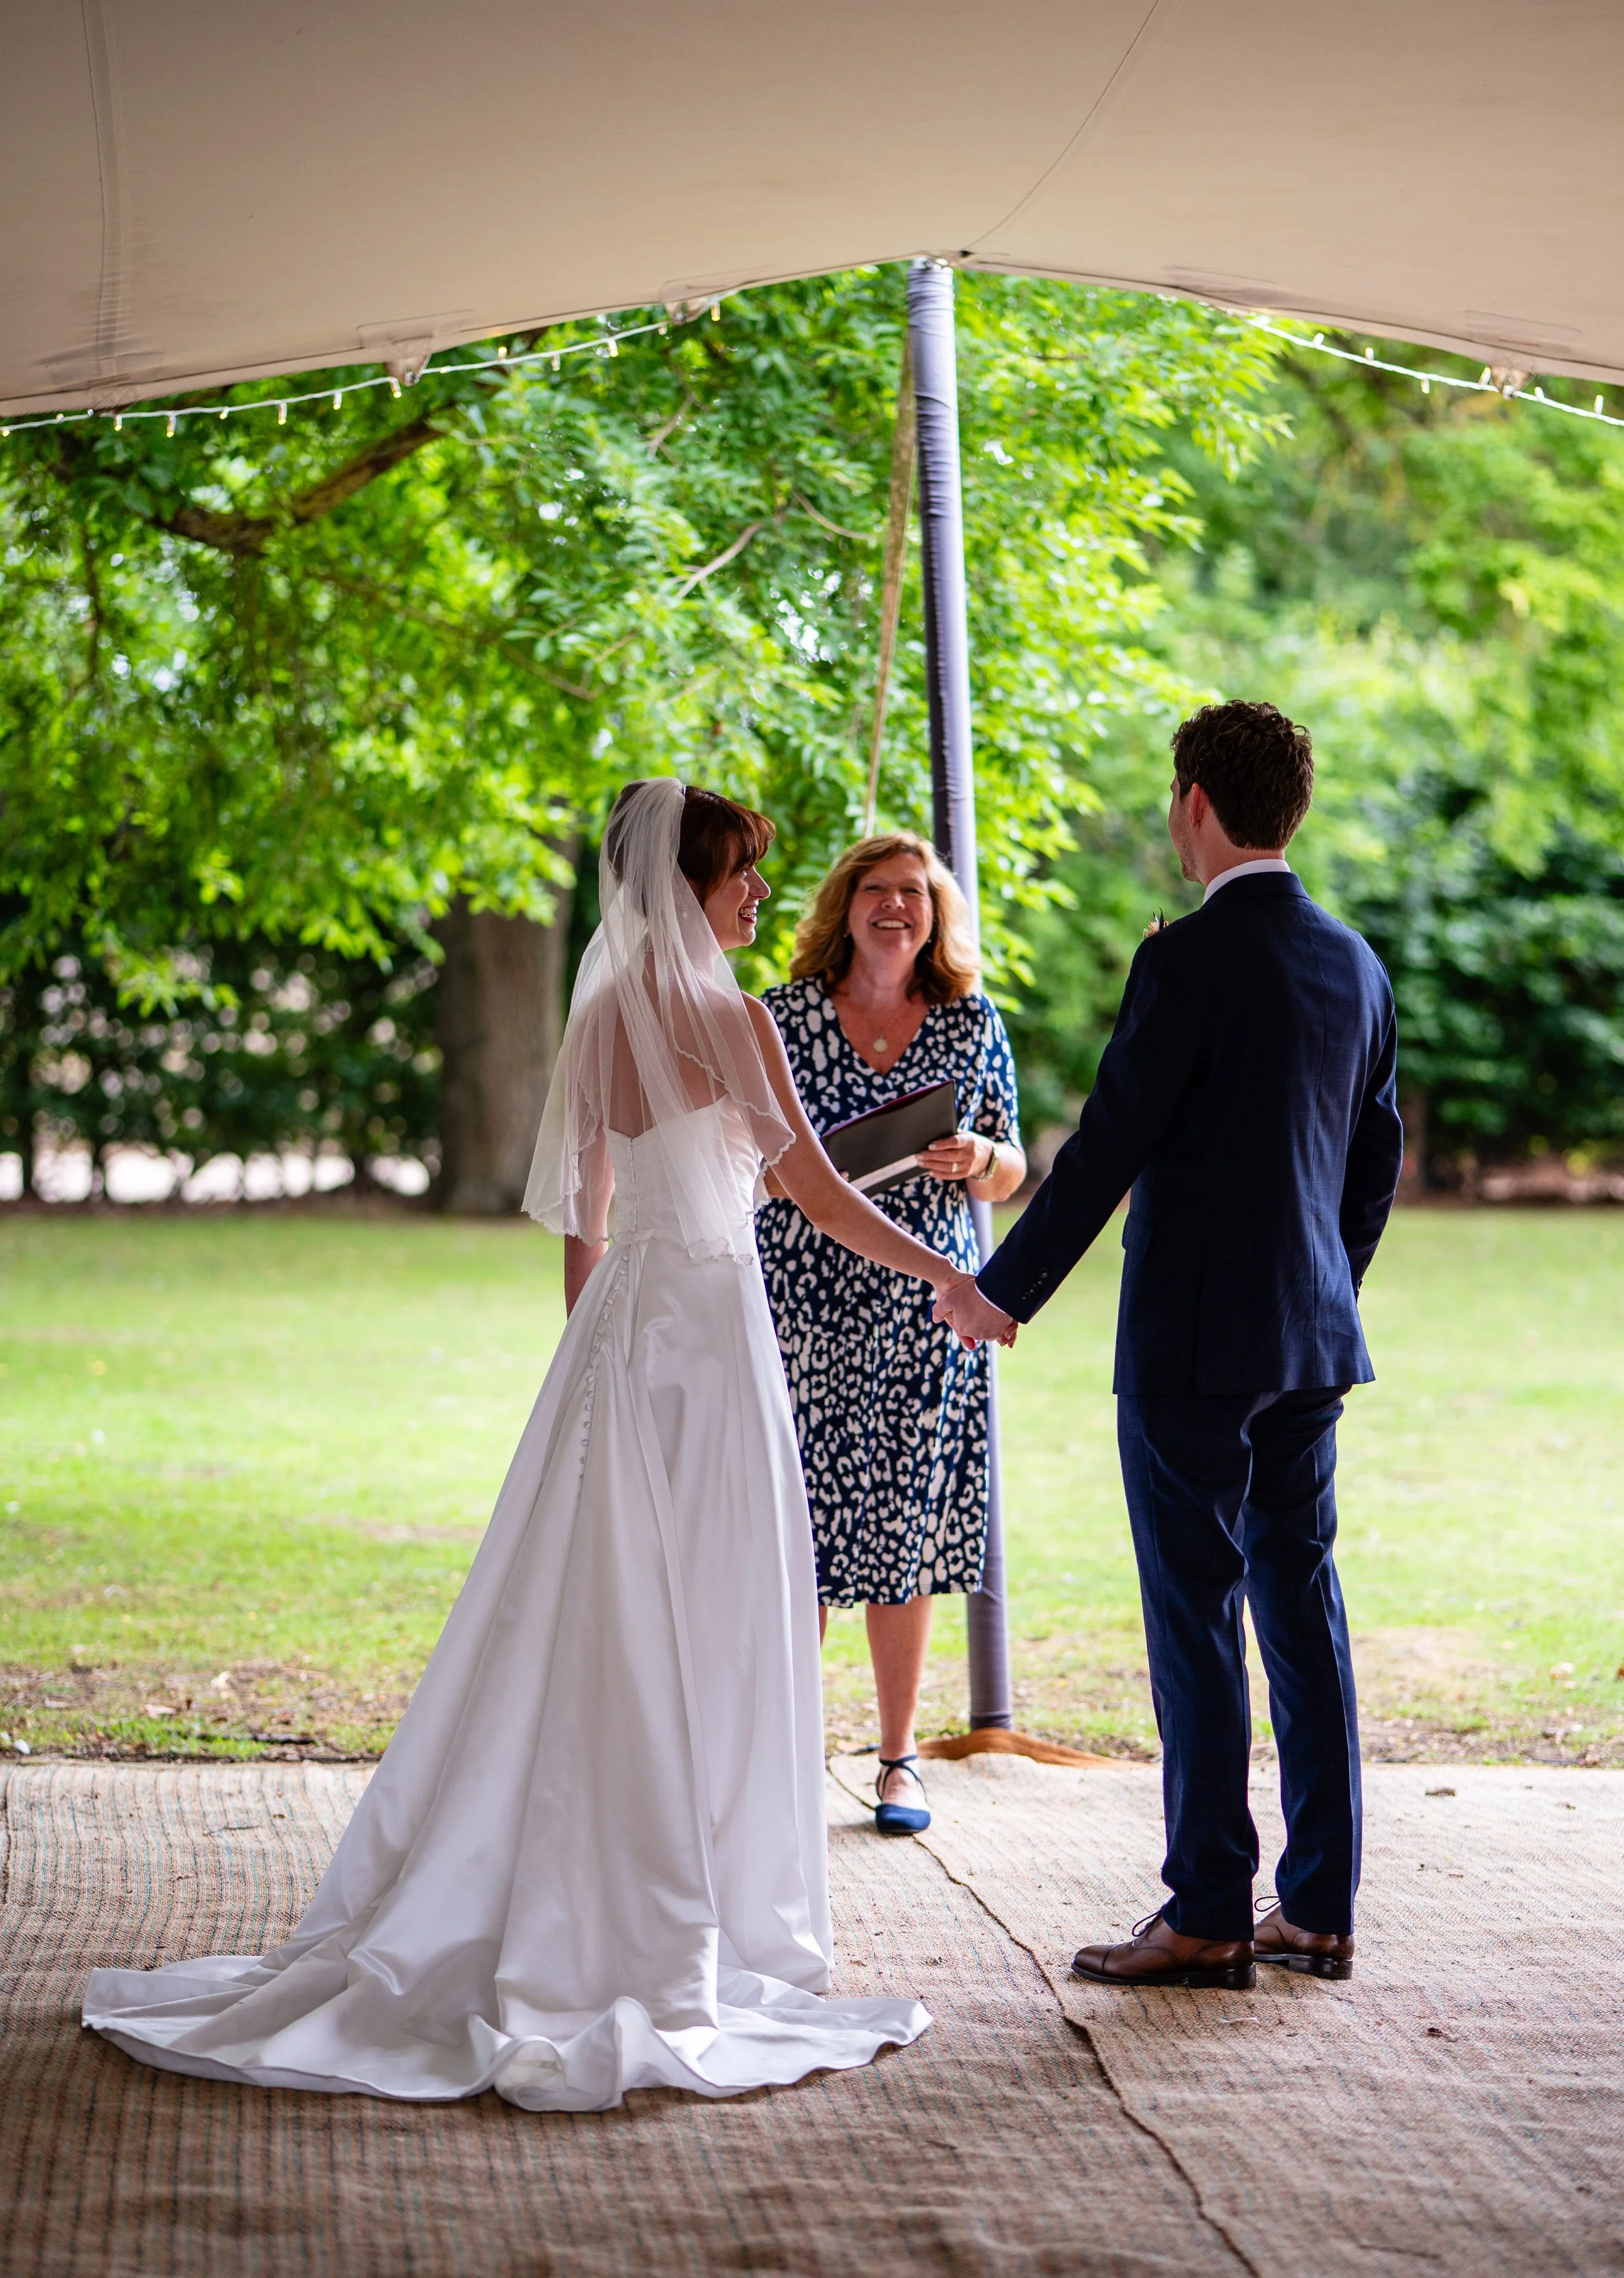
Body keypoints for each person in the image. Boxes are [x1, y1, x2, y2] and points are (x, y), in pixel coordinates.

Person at [85, 778, 964, 2109]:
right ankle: (691, 1903)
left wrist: (593, 1369)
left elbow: (586, 1223)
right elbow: (818, 1192)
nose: (754, 899)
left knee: (597, 1615)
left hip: (626, 1334)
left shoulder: (605, 1012)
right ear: (684, 887)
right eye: (738, 876)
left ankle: (612, 1874)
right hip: (713, 1341)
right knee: (714, 1610)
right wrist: (950, 1281)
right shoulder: (730, 1020)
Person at [938, 702, 1404, 1990]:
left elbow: (1108, 1146)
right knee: (1302, 1609)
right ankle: (1316, 1908)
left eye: (1170, 799)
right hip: (1311, 1340)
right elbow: (1375, 1164)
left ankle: (1206, 1910)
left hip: (1195, 1345)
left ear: (1198, 802)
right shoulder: (1356, 964)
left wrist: (1003, 1289)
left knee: (1196, 1616)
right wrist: (1324, 1291)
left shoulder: (1185, 962)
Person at [758, 835, 1024, 1834]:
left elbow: (1013, 1170)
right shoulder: (784, 1017)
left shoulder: (968, 1020)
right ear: (845, 906)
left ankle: (899, 1758)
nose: (897, 908)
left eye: (916, 893)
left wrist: (979, 1158)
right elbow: (756, 1156)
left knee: (901, 1529)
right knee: (802, 1527)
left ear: (937, 914)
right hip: (802, 1300)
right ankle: (778, 1754)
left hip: (925, 1312)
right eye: (878, 891)